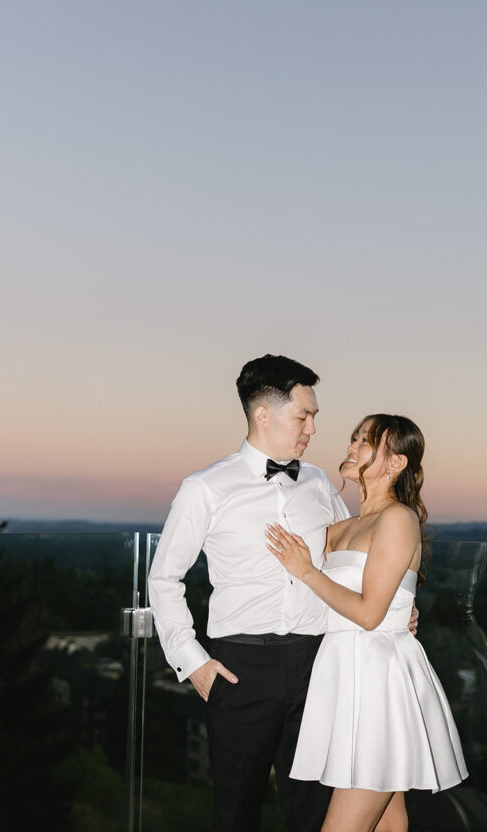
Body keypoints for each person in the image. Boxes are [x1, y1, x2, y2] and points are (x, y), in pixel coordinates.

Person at [148, 354, 352, 832]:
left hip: (316, 664)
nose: (312, 429)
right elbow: (164, 578)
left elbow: (350, 562)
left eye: (314, 417)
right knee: (236, 813)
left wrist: (389, 611)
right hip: (241, 669)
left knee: (317, 813)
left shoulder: (320, 482)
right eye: (304, 415)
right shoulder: (204, 488)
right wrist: (192, 662)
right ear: (264, 414)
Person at [267, 414, 468, 832]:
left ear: (395, 463)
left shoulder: (398, 518)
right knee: (389, 824)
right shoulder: (338, 528)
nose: (352, 446)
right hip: (343, 673)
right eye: (354, 437)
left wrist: (307, 571)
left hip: (377, 681)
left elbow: (369, 613)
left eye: (366, 441)